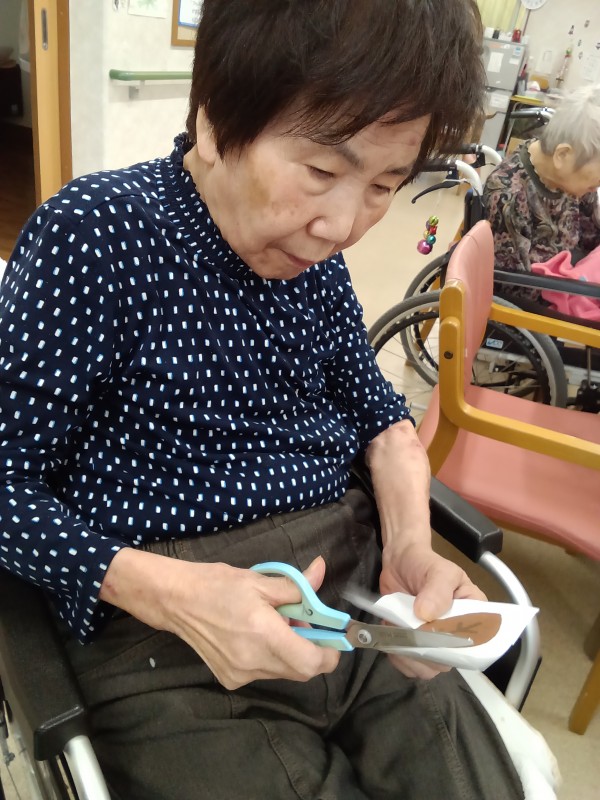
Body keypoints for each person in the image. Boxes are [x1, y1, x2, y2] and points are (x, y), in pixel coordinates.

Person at [0, 2, 525, 798]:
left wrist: (411, 550)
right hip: (163, 630)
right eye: (321, 172)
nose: (342, 226)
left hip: (350, 591)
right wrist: (168, 594)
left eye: (384, 185)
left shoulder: (313, 261)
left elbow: (385, 425)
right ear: (214, 123)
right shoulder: (95, 235)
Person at [484, 83, 600, 302]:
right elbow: (514, 287)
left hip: (571, 280)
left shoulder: (576, 180)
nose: (597, 186)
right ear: (563, 155)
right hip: (535, 301)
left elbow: (592, 238)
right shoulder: (508, 194)